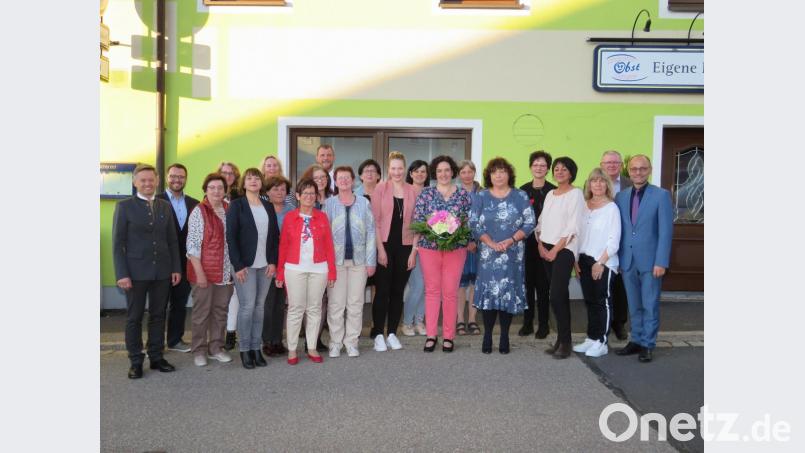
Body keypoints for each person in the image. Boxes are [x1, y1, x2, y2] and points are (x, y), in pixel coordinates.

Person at [112, 164, 181, 379]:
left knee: (159, 315)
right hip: (134, 273)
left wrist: (176, 268)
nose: (148, 183)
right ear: (135, 182)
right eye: (143, 180)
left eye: (151, 180)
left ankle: (156, 356)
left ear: (157, 181)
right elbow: (117, 243)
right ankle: (135, 360)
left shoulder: (164, 206)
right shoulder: (124, 206)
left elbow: (172, 240)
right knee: (134, 317)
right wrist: (122, 273)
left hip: (162, 271)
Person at [470, 157, 535, 354]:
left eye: (503, 171)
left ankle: (505, 335)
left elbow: (530, 222)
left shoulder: (520, 196)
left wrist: (512, 240)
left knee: (507, 292)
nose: (498, 175)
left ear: (509, 174)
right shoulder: (480, 196)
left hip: (512, 253)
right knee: (490, 293)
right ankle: (488, 335)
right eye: (494, 171)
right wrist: (490, 243)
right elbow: (473, 223)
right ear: (489, 175)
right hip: (488, 255)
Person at [614, 155, 673, 363]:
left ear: (649, 170)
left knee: (649, 304)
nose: (638, 172)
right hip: (628, 261)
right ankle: (636, 340)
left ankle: (648, 344)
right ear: (628, 171)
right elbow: (620, 230)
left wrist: (661, 261)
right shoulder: (621, 197)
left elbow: (666, 232)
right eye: (634, 169)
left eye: (642, 168)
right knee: (634, 305)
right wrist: (619, 260)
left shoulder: (661, 196)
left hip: (651, 262)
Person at [413, 155, 472, 353]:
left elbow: (469, 221)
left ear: (453, 172)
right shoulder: (426, 194)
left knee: (450, 291)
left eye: (447, 170)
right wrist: (435, 229)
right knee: (432, 291)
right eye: (439, 171)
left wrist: (456, 230)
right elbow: (419, 220)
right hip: (429, 248)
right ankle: (431, 335)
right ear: (434, 173)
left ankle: (448, 336)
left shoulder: (463, 195)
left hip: (456, 249)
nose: (443, 174)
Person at [276, 178, 337, 365]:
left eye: (313, 193)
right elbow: (283, 246)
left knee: (315, 308)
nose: (309, 197)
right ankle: (292, 348)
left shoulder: (322, 217)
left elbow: (328, 246)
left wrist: (332, 272)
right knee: (295, 308)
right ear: (298, 196)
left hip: (319, 269)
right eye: (306, 193)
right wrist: (280, 273)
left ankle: (311, 347)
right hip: (294, 269)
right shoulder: (290, 217)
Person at [226, 168, 280, 369]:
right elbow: (230, 237)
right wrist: (238, 265)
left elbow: (274, 237)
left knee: (259, 308)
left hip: (265, 265)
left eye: (257, 178)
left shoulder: (267, 205)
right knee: (247, 307)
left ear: (261, 182)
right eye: (249, 178)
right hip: (244, 266)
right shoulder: (237, 205)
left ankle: (256, 348)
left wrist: (273, 261)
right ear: (244, 183)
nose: (253, 181)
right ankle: (245, 349)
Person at [323, 166, 376, 358]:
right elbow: (324, 236)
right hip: (335, 262)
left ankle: (352, 342)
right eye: (340, 178)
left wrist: (371, 262)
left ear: (353, 181)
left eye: (347, 177)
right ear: (335, 181)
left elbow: (371, 232)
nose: (344, 180)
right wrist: (327, 264)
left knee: (356, 303)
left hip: (359, 262)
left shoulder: (364, 203)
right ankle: (335, 343)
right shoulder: (328, 204)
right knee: (336, 304)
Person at [536, 156, 585, 359]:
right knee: (558, 296)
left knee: (556, 295)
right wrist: (540, 244)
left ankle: (566, 341)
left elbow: (572, 227)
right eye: (556, 169)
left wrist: (555, 250)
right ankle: (562, 340)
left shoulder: (576, 194)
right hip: (545, 247)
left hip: (564, 249)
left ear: (571, 173)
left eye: (564, 169)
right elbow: (541, 222)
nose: (559, 172)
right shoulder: (550, 194)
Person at [370, 151, 417, 352]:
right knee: (382, 291)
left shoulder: (413, 190)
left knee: (398, 292)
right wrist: (380, 249)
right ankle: (379, 333)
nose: (397, 172)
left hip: (406, 247)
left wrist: (414, 252)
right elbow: (375, 222)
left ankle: (392, 333)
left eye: (400, 168)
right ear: (389, 170)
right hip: (385, 246)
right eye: (393, 168)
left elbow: (418, 224)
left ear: (404, 169)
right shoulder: (381, 189)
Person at [186, 173, 234, 366]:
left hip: (225, 272)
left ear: (225, 190)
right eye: (212, 187)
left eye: (220, 188)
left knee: (220, 312)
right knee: (201, 312)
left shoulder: (229, 209)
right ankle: (199, 350)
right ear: (205, 190)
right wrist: (199, 273)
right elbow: (192, 245)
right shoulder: (199, 211)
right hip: (204, 271)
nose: (216, 191)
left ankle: (216, 347)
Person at [573, 168, 621, 358]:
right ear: (589, 184)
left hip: (603, 261)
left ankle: (602, 341)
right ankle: (591, 338)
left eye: (602, 181)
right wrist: (576, 260)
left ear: (607, 185)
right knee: (590, 301)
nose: (598, 185)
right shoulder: (584, 206)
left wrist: (600, 262)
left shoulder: (612, 208)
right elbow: (577, 235)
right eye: (594, 181)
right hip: (583, 260)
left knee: (603, 302)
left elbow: (614, 240)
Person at [159, 163, 199, 353]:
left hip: (185, 263)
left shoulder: (193, 203)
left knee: (179, 304)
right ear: (167, 177)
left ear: (186, 179)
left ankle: (175, 340)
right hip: (160, 263)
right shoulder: (155, 200)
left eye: (181, 177)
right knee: (158, 306)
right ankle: (156, 343)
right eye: (173, 176)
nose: (177, 180)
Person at [519, 151, 556, 339]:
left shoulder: (554, 191)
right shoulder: (522, 190)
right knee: (527, 286)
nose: (539, 168)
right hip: (525, 245)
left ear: (547, 168)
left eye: (543, 165)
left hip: (546, 245)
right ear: (530, 167)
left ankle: (543, 324)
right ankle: (527, 323)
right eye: (536, 165)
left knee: (543, 287)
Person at [261, 176, 296, 357]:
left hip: (287, 263)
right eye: (275, 189)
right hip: (267, 262)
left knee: (280, 303)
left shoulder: (292, 210)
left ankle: (277, 340)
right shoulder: (262, 210)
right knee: (268, 303)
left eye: (283, 189)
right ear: (267, 192)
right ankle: (267, 341)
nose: (279, 192)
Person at [600, 150, 632, 340]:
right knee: (603, 285)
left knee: (620, 285)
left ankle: (619, 323)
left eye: (615, 162)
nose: (611, 165)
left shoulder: (630, 184)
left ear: (621, 165)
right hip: (601, 241)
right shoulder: (594, 182)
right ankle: (603, 321)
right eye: (607, 163)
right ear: (601, 164)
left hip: (625, 241)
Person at [401, 160, 429, 337]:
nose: (419, 174)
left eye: (423, 172)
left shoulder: (431, 193)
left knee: (427, 287)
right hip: (410, 245)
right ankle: (407, 322)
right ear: (410, 174)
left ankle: (419, 321)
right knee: (417, 286)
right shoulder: (404, 192)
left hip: (430, 245)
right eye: (416, 171)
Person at [456, 160, 481, 336]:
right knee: (460, 284)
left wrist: (476, 241)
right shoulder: (454, 193)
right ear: (459, 175)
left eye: (469, 171)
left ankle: (472, 319)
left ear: (474, 173)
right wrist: (465, 241)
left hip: (479, 245)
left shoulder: (484, 193)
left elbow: (486, 219)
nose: (466, 175)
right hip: (458, 245)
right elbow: (451, 220)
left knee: (475, 284)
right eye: (463, 172)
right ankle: (459, 320)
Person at [219, 161, 242, 350]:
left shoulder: (238, 198)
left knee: (234, 294)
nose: (227, 176)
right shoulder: (211, 197)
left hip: (234, 252)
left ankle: (231, 332)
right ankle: (216, 336)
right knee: (218, 296)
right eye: (224, 172)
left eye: (231, 173)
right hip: (216, 254)